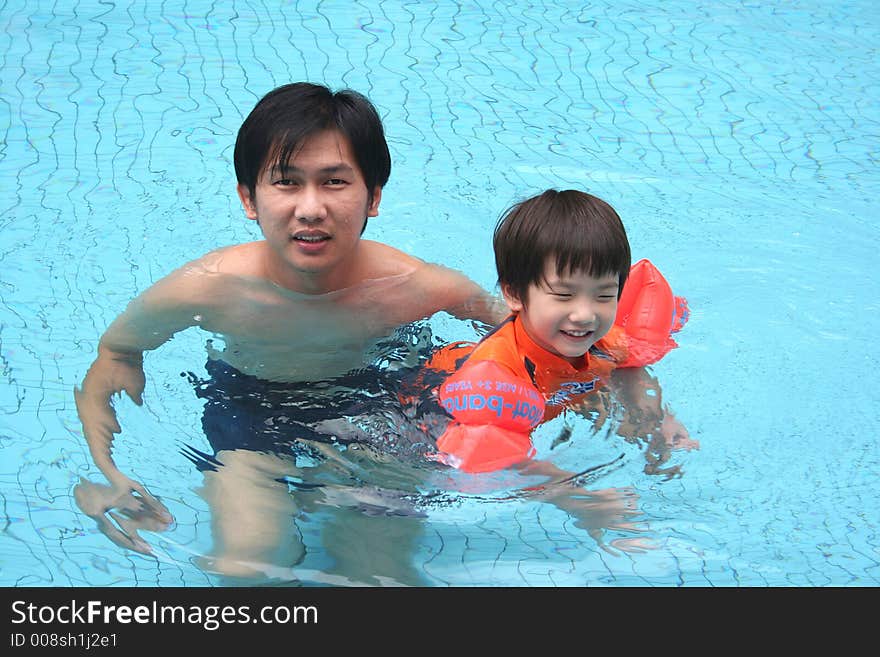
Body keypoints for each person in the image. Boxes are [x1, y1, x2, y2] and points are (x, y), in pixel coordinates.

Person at [73, 82, 507, 582]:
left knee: (379, 569)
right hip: (250, 412)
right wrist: (111, 474)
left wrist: (585, 381)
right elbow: (116, 353)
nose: (310, 208)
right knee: (247, 563)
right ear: (248, 198)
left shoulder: (416, 287)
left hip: (379, 410)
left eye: (334, 182)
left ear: (374, 197)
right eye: (286, 182)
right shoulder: (206, 290)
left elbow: (522, 340)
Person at [422, 188, 696, 476]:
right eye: (564, 295)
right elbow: (497, 464)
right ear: (514, 294)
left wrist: (660, 421)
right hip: (425, 405)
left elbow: (629, 370)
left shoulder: (603, 340)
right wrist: (578, 499)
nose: (585, 315)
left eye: (604, 296)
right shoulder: (493, 377)